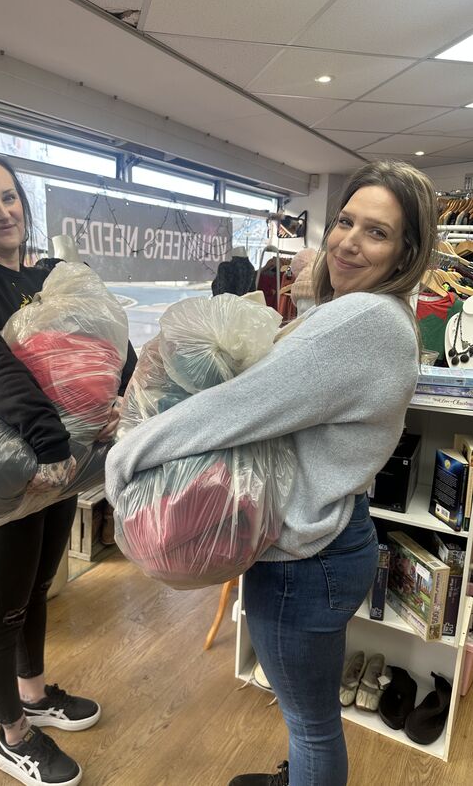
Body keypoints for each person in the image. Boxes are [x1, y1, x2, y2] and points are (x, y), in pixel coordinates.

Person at [104, 160, 437, 786]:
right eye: (344, 222)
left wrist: (127, 454)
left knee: (313, 724)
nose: (347, 241)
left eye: (376, 232)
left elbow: (236, 408)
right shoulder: (378, 316)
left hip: (305, 560)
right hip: (329, 546)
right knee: (307, 714)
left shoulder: (365, 321)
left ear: (407, 252)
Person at [0, 151, 136, 786]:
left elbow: (98, 343)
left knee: (37, 589)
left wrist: (123, 394)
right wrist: (50, 445)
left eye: (10, 197)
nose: (2, 211)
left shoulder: (49, 276)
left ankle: (36, 696)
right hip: (2, 467)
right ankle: (11, 734)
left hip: (56, 464)